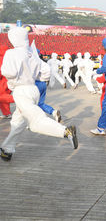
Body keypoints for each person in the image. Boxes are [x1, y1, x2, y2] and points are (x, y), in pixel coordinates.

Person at [0, 27, 77, 161]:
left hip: (21, 90)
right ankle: (7, 149)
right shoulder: (32, 54)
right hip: (33, 89)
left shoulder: (12, 53)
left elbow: (8, 72)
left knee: (35, 121)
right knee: (18, 122)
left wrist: (11, 78)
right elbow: (46, 72)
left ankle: (65, 131)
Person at [35, 48, 62, 123]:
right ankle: (53, 112)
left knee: (32, 103)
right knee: (40, 103)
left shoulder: (33, 63)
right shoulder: (43, 63)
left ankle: (34, 120)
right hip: (43, 83)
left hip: (36, 83)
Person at [0, 45, 13, 119]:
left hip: (2, 81)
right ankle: (7, 113)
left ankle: (18, 100)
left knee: (2, 97)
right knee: (4, 99)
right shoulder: (8, 58)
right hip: (9, 80)